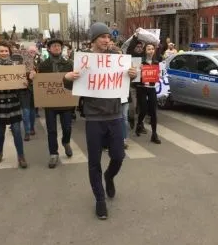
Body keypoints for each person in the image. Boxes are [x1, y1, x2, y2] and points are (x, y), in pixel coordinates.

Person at [64, 22, 137, 220]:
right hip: (94, 117)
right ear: (94, 40)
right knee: (94, 161)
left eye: (108, 37)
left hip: (114, 115)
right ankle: (99, 200)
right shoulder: (85, 60)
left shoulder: (117, 59)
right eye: (103, 37)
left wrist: (132, 75)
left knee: (119, 156)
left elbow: (124, 82)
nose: (107, 40)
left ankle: (109, 177)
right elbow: (73, 88)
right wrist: (68, 78)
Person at [0, 41, 30, 168]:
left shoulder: (15, 66)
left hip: (13, 103)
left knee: (17, 131)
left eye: (6, 51)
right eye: (1, 51)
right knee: (0, 132)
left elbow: (21, 86)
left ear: (9, 52)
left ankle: (21, 156)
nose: (4, 53)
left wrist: (24, 84)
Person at [36, 38, 74, 168]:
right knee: (51, 130)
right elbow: (37, 83)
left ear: (62, 48)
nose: (57, 48)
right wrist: (32, 77)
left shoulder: (69, 63)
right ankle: (53, 153)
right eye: (54, 46)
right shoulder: (43, 66)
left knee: (67, 127)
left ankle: (66, 142)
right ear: (49, 49)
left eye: (58, 46)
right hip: (50, 103)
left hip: (66, 102)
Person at [134, 43, 161, 144]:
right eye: (148, 49)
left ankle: (154, 134)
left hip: (151, 88)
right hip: (142, 88)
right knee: (144, 109)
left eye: (152, 49)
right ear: (145, 51)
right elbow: (134, 76)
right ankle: (139, 124)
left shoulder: (156, 62)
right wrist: (139, 70)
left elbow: (158, 75)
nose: (151, 51)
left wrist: (159, 74)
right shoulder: (140, 61)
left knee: (153, 111)